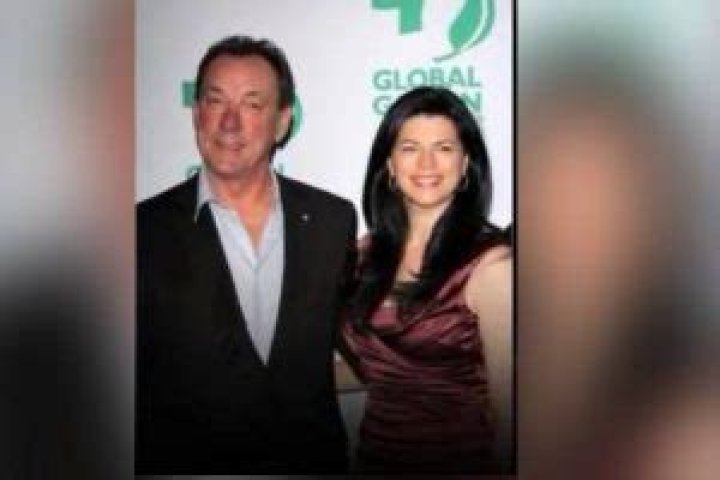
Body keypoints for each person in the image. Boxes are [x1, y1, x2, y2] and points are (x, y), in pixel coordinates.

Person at [136, 35, 356, 473]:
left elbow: (356, 344)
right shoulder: (140, 231)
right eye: (216, 101)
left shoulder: (333, 221)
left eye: (252, 104)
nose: (230, 122)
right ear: (197, 114)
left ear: (282, 122)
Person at [340, 86, 513, 474]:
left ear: (466, 163)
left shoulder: (493, 268)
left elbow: (511, 425)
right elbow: (380, 368)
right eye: (410, 148)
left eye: (444, 148)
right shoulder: (364, 255)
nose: (426, 163)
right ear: (389, 163)